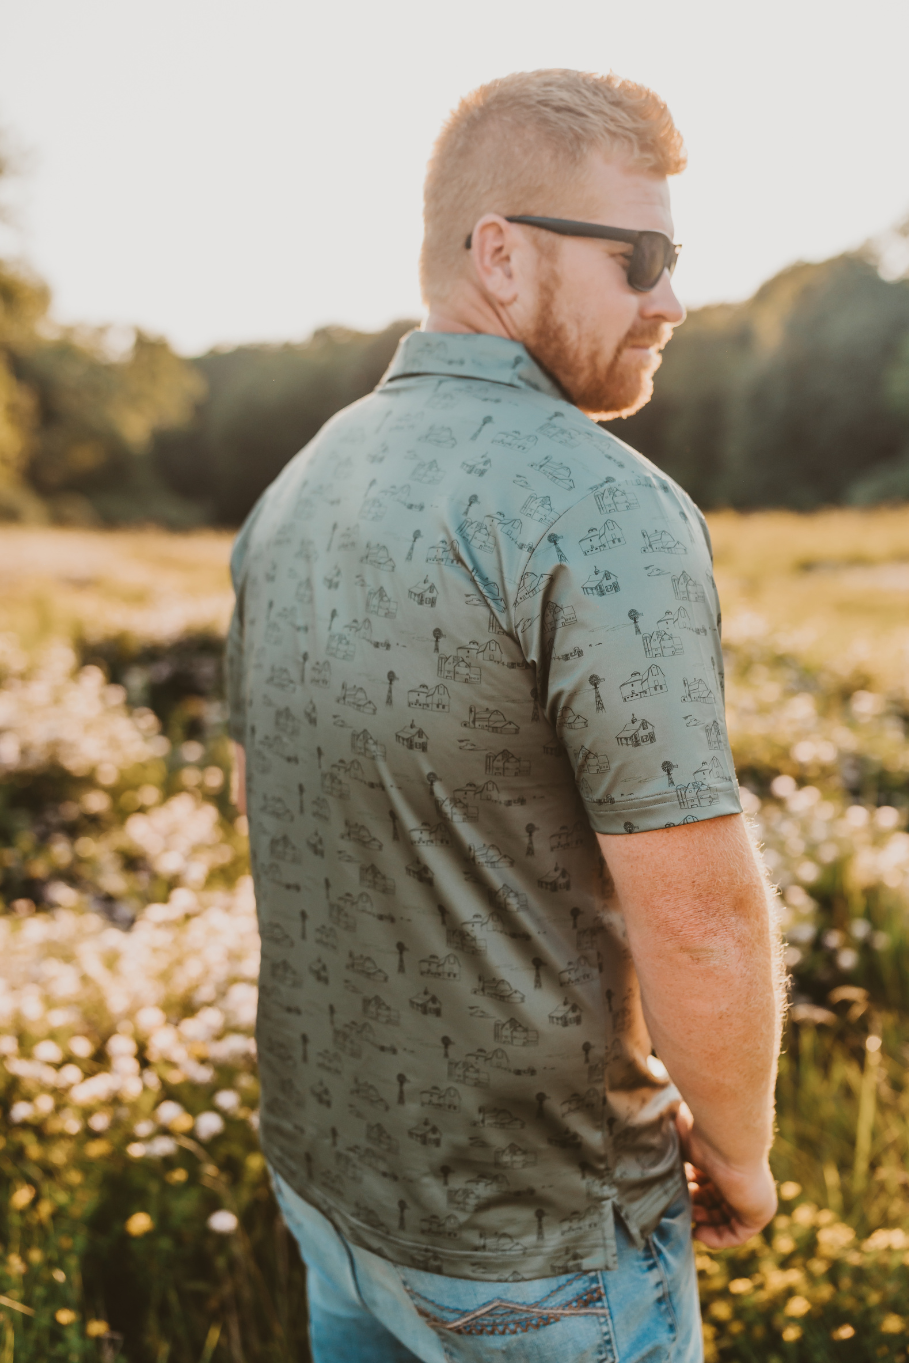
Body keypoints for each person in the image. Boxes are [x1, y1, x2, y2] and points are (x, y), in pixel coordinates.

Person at [226, 68, 783, 1363]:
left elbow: (267, 807)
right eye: (638, 255)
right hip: (543, 1260)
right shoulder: (605, 507)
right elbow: (701, 920)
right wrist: (742, 1160)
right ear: (501, 255)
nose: (672, 298)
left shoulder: (292, 492)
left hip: (331, 1205)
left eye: (675, 255)